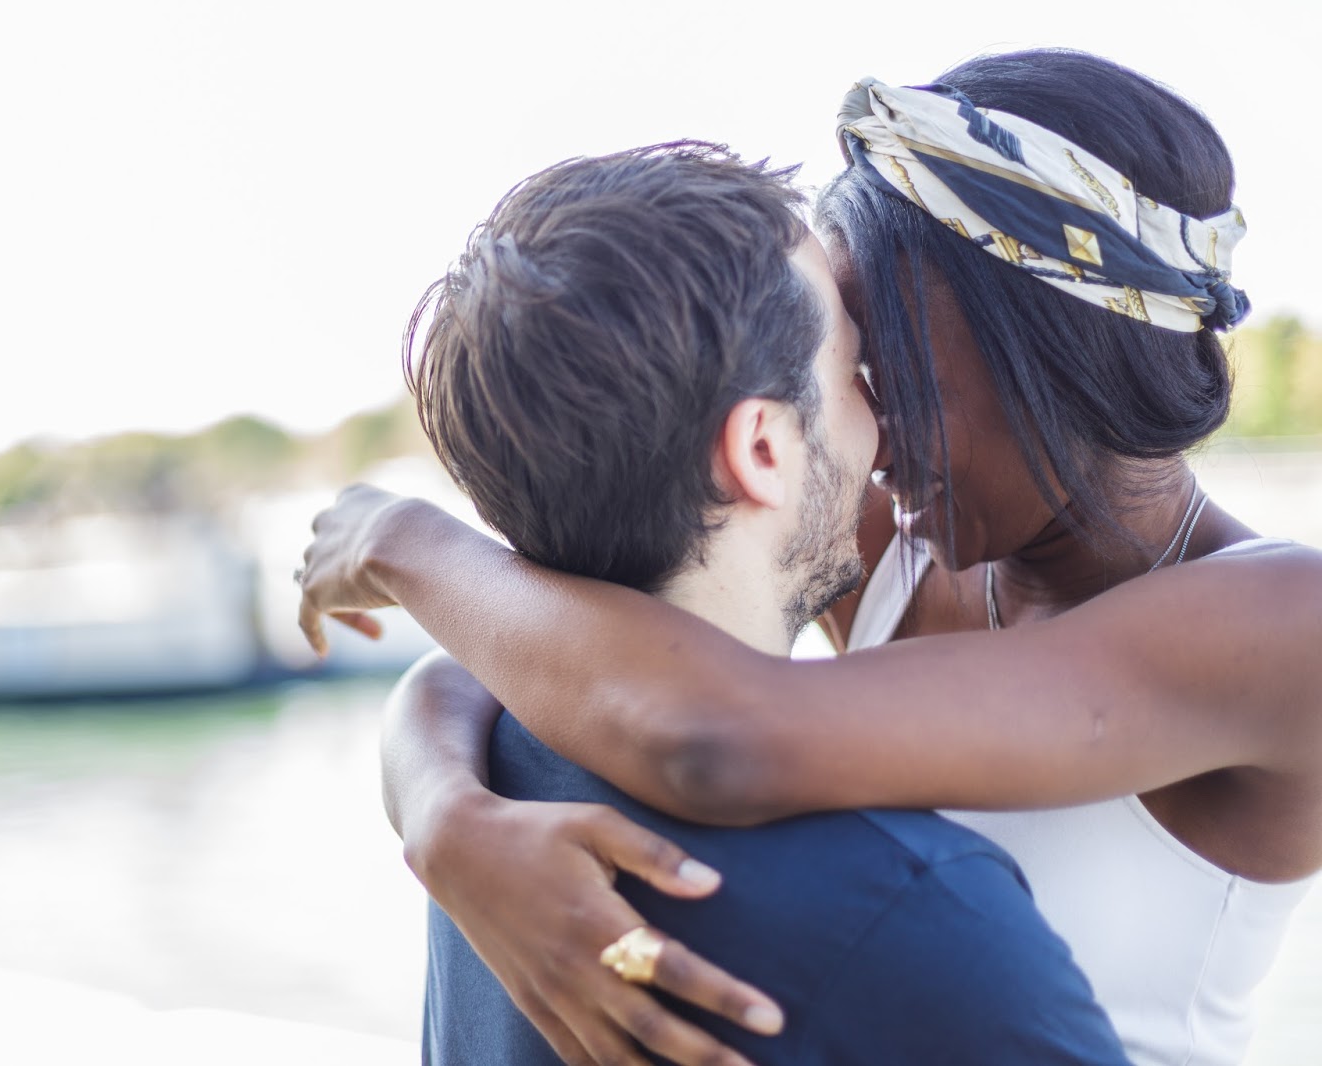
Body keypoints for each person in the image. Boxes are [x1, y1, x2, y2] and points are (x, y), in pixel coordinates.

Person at [297, 49, 1322, 1066]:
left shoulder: (1283, 624)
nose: (866, 421)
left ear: (1040, 343)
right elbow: (561, 643)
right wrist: (444, 811)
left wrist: (403, 541)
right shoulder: (910, 533)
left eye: (884, 356)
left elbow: (712, 731)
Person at [386, 140, 1127, 1066]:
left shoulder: (497, 768)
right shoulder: (922, 907)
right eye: (853, 368)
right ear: (764, 451)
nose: (883, 416)